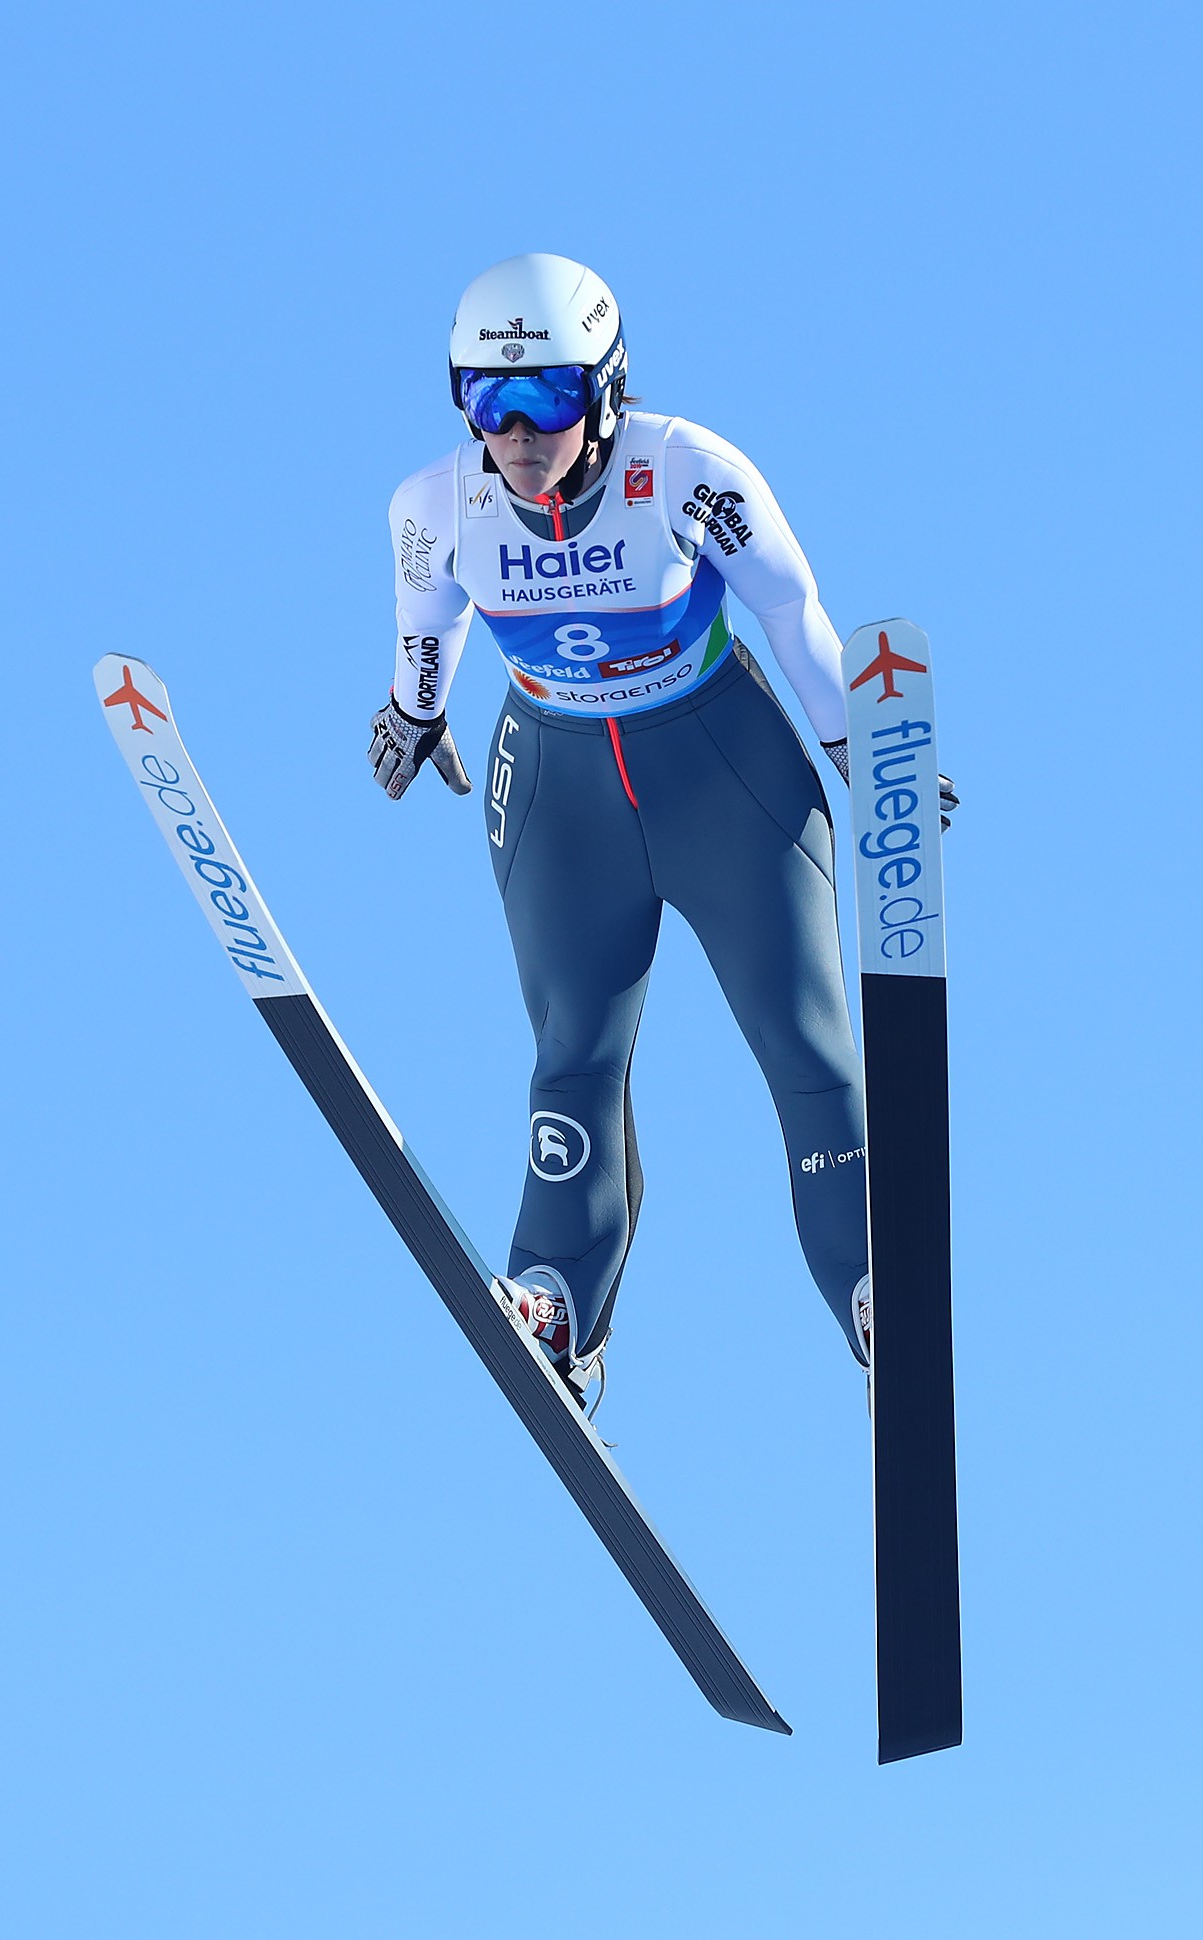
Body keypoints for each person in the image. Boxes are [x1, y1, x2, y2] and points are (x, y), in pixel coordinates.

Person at [372, 253, 946, 1411]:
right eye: (490, 403)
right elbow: (425, 622)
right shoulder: (436, 508)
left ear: (609, 390)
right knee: (572, 1048)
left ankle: (872, 1281)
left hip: (719, 769)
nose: (520, 433)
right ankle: (559, 1297)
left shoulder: (689, 471)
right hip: (557, 785)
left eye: (548, 400)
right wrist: (412, 706)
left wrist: (858, 743)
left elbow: (791, 613)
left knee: (805, 1040)